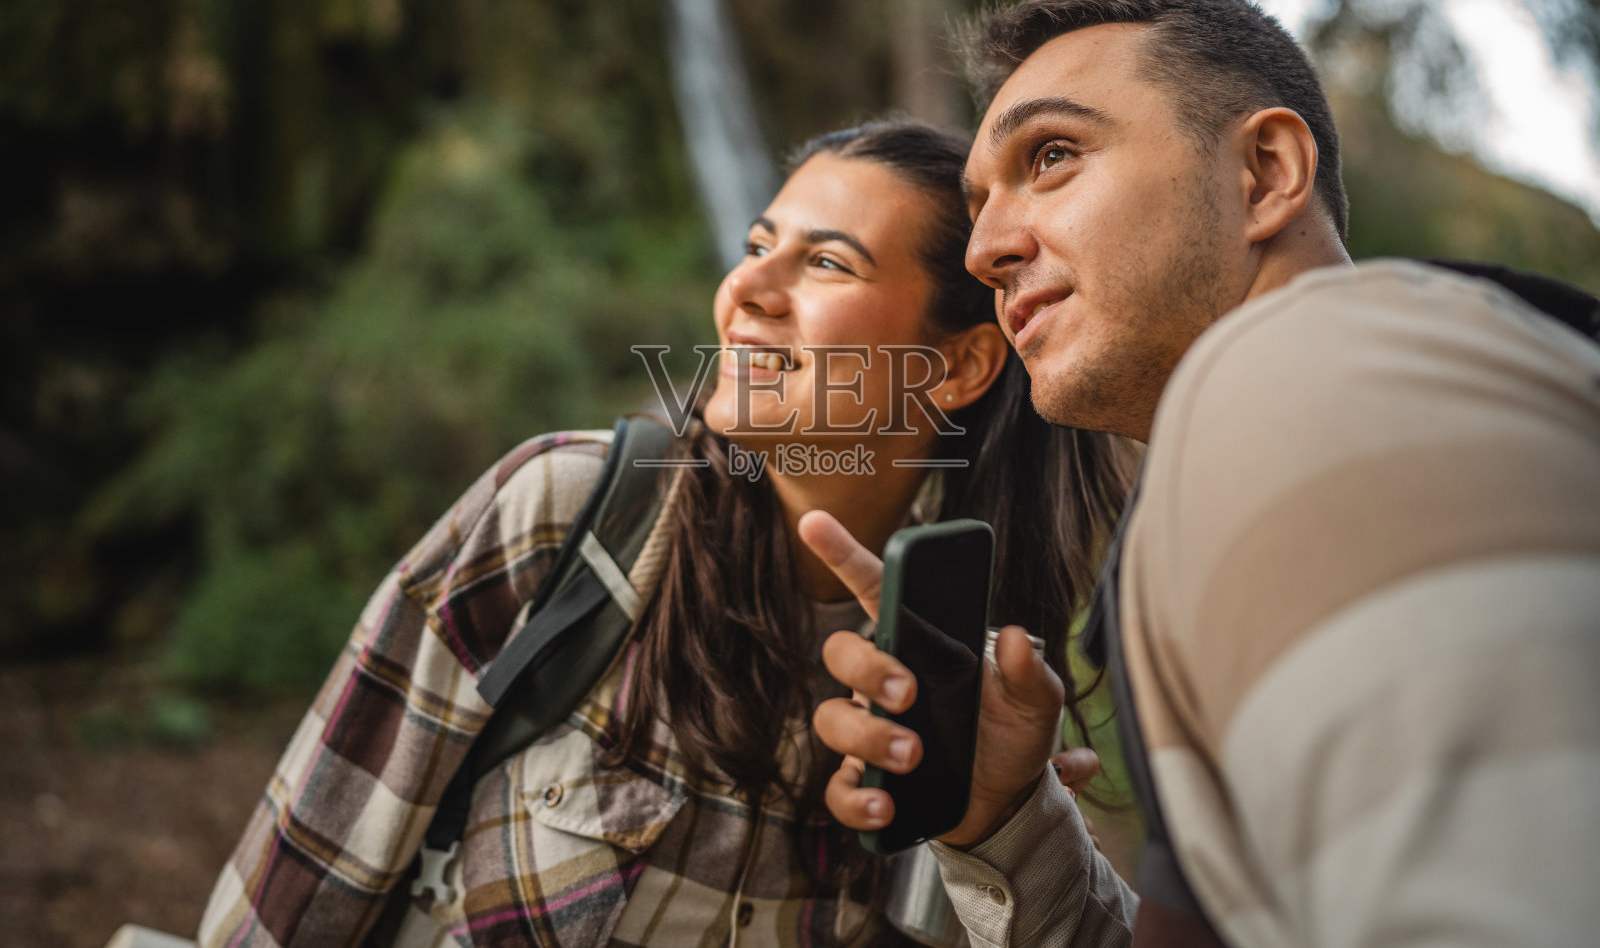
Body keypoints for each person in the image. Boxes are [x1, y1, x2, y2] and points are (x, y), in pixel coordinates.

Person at [196, 120, 1134, 948]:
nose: (746, 288)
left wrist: (1006, 832)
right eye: (757, 246)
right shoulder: (565, 515)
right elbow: (294, 898)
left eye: (826, 263)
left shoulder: (980, 673)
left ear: (958, 364)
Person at [808, 0, 1600, 948]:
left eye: (1051, 156)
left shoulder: (1311, 374)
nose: (983, 250)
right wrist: (1010, 828)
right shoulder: (1284, 432)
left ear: (1265, 173)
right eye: (978, 204)